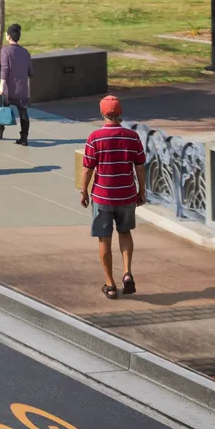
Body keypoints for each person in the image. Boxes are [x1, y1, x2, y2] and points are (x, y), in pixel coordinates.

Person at [81, 94, 145, 300]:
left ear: (101, 112)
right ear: (120, 113)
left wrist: (84, 191)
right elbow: (140, 167)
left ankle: (110, 284)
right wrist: (141, 190)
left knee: (104, 239)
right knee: (125, 233)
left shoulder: (95, 138)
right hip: (126, 193)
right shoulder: (132, 137)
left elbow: (88, 169)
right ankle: (127, 272)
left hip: (102, 195)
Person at [0, 23, 32, 145]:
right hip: (22, 88)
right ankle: (24, 138)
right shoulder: (25, 52)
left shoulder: (5, 50)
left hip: (9, 87)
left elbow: (5, 69)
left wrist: (1, 85)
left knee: (1, 106)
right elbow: (31, 71)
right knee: (23, 112)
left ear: (8, 36)